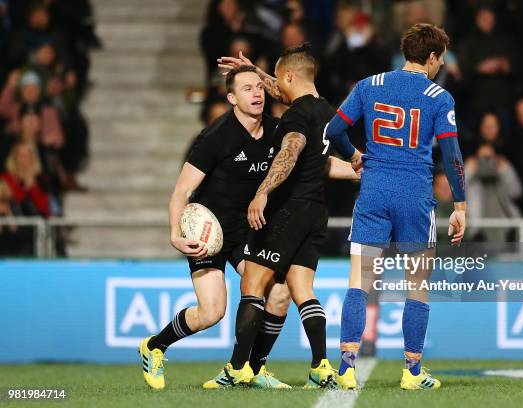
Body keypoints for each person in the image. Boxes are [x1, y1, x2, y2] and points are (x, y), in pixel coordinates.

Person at [325, 23, 467, 390]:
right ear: (432, 56)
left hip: (373, 191)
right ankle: (412, 372)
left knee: (359, 283)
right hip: (414, 196)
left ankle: (345, 368)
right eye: (441, 60)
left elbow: (333, 131)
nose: (441, 67)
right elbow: (451, 153)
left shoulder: (369, 85)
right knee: (417, 286)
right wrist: (461, 204)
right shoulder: (439, 96)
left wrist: (355, 156)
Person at [138, 65, 293, 390]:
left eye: (259, 87)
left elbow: (299, 98)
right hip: (207, 232)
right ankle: (154, 347)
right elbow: (180, 192)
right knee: (211, 312)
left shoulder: (278, 130)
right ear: (232, 97)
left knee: (279, 293)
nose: (256, 94)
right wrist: (174, 235)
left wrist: (354, 166)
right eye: (247, 89)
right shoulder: (215, 137)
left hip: (247, 229)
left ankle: (252, 369)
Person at [212, 44, 358, 389]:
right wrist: (256, 70)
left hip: (288, 209)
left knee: (253, 286)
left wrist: (262, 192)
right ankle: (320, 365)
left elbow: (289, 154)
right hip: (316, 211)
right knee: (301, 290)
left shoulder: (296, 116)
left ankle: (237, 369)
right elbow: (318, 162)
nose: (269, 89)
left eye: (275, 80)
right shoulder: (327, 113)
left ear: (289, 76)